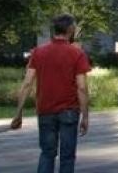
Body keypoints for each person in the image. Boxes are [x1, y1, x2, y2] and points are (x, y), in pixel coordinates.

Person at [11, 13, 93, 173]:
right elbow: (81, 87)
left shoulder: (38, 53)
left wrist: (18, 113)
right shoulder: (77, 54)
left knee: (47, 154)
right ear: (70, 29)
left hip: (45, 110)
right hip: (69, 111)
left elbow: (27, 83)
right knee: (67, 157)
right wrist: (85, 116)